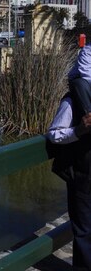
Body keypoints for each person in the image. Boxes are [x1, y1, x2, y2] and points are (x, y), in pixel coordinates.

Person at [47, 45, 91, 269]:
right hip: (84, 177)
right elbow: (54, 134)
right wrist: (79, 131)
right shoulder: (73, 100)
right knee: (84, 232)